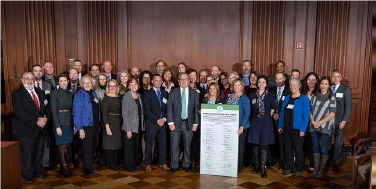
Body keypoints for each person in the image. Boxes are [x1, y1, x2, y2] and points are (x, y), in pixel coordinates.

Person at [12, 71, 48, 184]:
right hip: (26, 129)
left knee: (39, 152)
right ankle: (27, 175)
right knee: (27, 153)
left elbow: (47, 107)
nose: (30, 80)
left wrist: (46, 118)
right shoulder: (17, 94)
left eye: (31, 78)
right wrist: (37, 121)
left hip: (41, 128)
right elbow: (20, 112)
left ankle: (37, 172)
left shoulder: (40, 92)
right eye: (27, 78)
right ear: (22, 80)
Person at [167, 73, 199, 173]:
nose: (184, 81)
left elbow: (196, 109)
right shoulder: (173, 92)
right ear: (179, 81)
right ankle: (174, 166)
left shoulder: (194, 93)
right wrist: (170, 122)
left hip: (188, 123)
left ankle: (186, 164)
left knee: (188, 146)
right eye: (182, 79)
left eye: (186, 79)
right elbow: (169, 108)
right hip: (175, 123)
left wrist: (195, 123)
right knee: (174, 145)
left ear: (189, 81)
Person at [278, 79, 310, 177]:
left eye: (294, 85)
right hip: (286, 129)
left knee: (298, 149)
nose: (292, 87)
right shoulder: (287, 98)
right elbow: (282, 113)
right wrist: (280, 125)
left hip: (298, 130)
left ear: (299, 86)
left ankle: (299, 169)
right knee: (288, 149)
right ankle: (289, 167)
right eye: (291, 85)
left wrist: (302, 129)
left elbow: (306, 116)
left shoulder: (304, 99)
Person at [73, 75, 101, 176]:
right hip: (86, 126)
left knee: (94, 145)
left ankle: (89, 165)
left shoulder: (93, 93)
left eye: (89, 82)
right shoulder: (79, 95)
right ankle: (87, 169)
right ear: (81, 84)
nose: (88, 84)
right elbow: (76, 113)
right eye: (85, 83)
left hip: (95, 124)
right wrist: (80, 129)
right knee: (87, 148)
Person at [309, 76, 336, 179]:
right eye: (322, 84)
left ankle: (322, 170)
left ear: (329, 86)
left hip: (325, 126)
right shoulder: (314, 96)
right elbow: (310, 111)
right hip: (313, 125)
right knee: (315, 147)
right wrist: (312, 121)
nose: (323, 86)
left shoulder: (331, 97)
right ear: (319, 84)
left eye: (325, 84)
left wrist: (319, 122)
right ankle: (316, 169)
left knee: (324, 147)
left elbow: (332, 113)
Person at [248, 75, 275, 178]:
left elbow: (272, 110)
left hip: (266, 122)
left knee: (264, 145)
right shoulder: (252, 96)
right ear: (257, 84)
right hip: (255, 122)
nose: (261, 84)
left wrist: (265, 118)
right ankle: (256, 166)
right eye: (259, 82)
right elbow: (251, 110)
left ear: (266, 84)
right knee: (255, 145)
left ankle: (263, 167)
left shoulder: (270, 95)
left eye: (263, 82)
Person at [143, 74, 170, 173]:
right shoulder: (147, 94)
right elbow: (147, 110)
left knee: (163, 143)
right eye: (156, 80)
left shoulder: (164, 93)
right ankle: (147, 164)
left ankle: (162, 162)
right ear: (152, 81)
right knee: (149, 144)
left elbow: (167, 108)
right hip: (152, 123)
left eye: (160, 80)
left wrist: (164, 119)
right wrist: (156, 120)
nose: (158, 82)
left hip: (163, 122)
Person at [50, 73, 74, 177]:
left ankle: (66, 166)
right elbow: (54, 111)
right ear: (58, 82)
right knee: (62, 146)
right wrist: (57, 126)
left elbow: (72, 109)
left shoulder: (70, 93)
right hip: (59, 121)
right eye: (61, 81)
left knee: (67, 146)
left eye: (65, 80)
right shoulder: (54, 93)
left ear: (67, 81)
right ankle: (64, 168)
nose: (63, 83)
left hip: (68, 121)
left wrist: (73, 125)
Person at [226, 78, 250, 173]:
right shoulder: (229, 97)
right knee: (231, 146)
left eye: (238, 85)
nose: (236, 87)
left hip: (240, 126)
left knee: (239, 147)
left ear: (242, 86)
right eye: (235, 85)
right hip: (230, 126)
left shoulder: (244, 98)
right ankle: (230, 164)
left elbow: (247, 113)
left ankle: (238, 166)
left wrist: (242, 126)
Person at [330, 70, 352, 172]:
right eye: (333, 76)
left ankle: (336, 163)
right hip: (328, 120)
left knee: (338, 143)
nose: (335, 78)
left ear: (340, 78)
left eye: (337, 77)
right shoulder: (328, 88)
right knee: (327, 142)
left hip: (339, 121)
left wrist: (344, 121)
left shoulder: (345, 89)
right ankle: (327, 161)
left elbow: (348, 106)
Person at [32, 64, 52, 170]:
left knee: (45, 142)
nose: (38, 73)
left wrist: (46, 117)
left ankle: (45, 163)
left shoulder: (47, 84)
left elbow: (48, 103)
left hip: (45, 117)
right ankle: (35, 165)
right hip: (33, 120)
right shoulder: (29, 85)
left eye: (40, 71)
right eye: (36, 71)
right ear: (32, 72)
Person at [122, 78, 144, 172]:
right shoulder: (127, 96)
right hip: (129, 127)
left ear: (138, 85)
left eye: (135, 84)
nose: (134, 86)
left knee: (135, 147)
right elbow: (124, 113)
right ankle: (129, 166)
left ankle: (133, 164)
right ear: (128, 86)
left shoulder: (138, 95)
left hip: (137, 126)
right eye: (131, 84)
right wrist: (128, 129)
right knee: (129, 148)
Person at [270, 73, 291, 171]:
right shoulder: (272, 90)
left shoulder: (289, 90)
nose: (279, 81)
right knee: (274, 140)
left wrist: (279, 114)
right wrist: (273, 113)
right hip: (272, 119)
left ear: (284, 79)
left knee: (283, 143)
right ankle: (273, 159)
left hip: (283, 121)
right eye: (277, 79)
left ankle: (282, 163)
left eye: (280, 79)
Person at [101, 79, 122, 171]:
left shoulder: (119, 97)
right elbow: (104, 114)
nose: (112, 88)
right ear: (108, 88)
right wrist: (107, 126)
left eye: (114, 86)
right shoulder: (106, 98)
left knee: (116, 144)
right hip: (109, 122)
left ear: (117, 87)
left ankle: (115, 162)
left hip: (118, 122)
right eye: (110, 86)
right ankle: (111, 164)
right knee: (109, 144)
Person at [302, 72, 319, 172]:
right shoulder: (302, 92)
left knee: (313, 144)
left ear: (316, 81)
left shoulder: (318, 93)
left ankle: (313, 164)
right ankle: (300, 163)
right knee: (301, 143)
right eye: (309, 79)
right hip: (303, 122)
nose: (311, 82)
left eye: (313, 80)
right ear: (306, 81)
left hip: (314, 122)